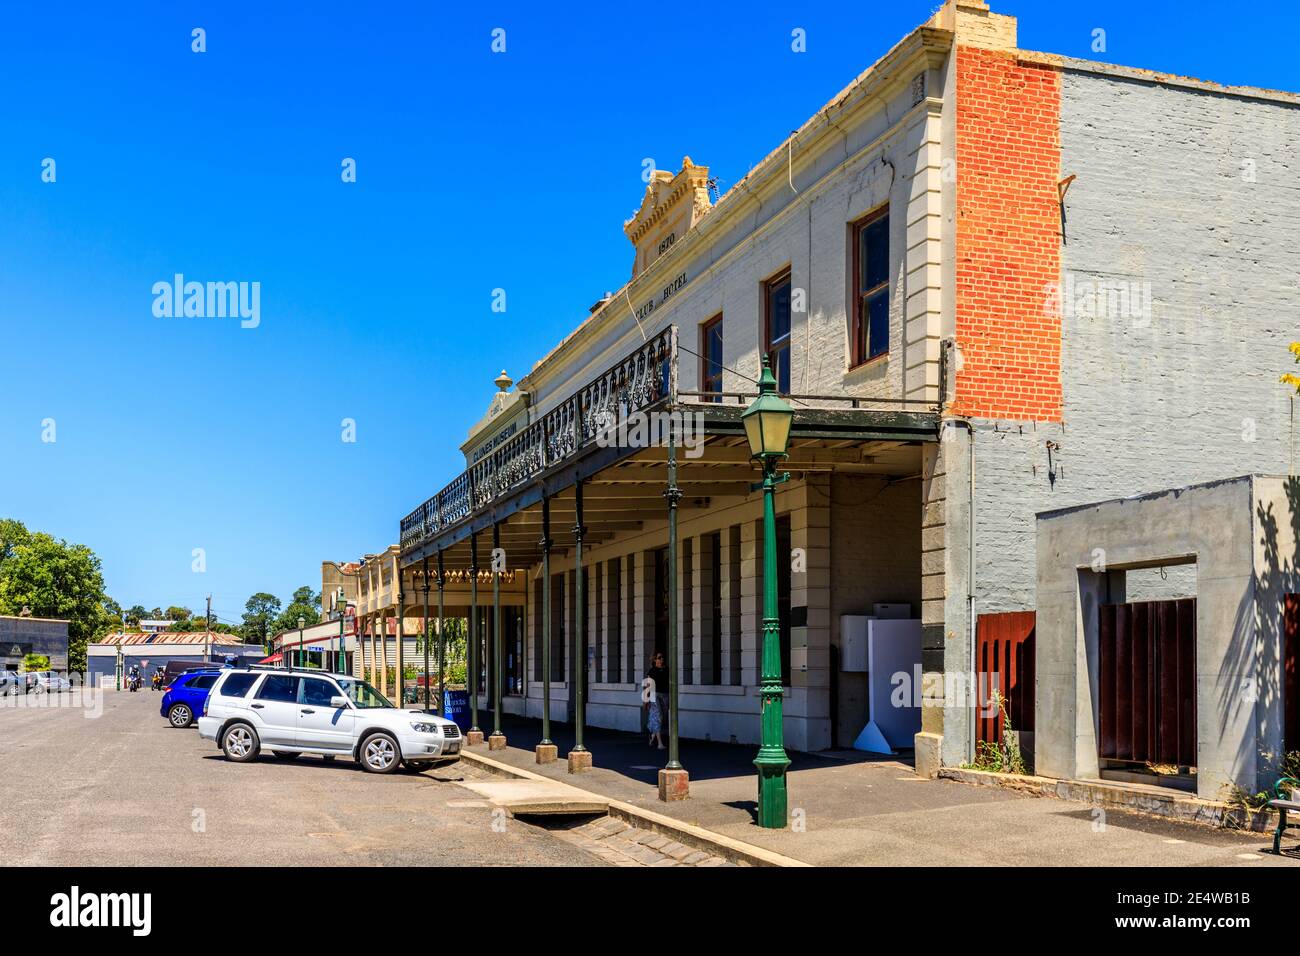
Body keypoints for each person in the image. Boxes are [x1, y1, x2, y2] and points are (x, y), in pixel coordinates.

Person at [645, 651, 669, 750]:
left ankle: (652, 736)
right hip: (655, 695)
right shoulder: (652, 671)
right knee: (658, 716)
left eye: (662, 657)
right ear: (655, 660)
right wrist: (646, 700)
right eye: (659, 658)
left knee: (663, 717)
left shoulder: (667, 669)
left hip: (665, 695)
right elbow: (648, 686)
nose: (662, 659)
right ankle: (660, 743)